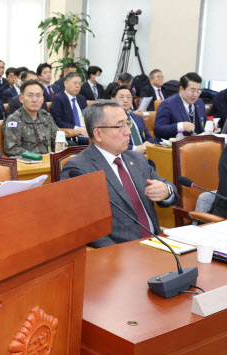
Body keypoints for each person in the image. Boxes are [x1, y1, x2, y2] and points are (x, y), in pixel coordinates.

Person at [59, 100, 178, 247]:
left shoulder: (137, 159)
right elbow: (83, 227)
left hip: (155, 243)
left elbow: (170, 190)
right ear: (98, 133)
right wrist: (116, 254)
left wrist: (166, 191)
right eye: (120, 126)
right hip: (119, 253)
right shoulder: (79, 169)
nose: (128, 131)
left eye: (128, 124)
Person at [3, 80, 59, 156]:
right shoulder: (14, 120)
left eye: (38, 96)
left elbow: (58, 140)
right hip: (26, 163)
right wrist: (39, 157)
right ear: (21, 99)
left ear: (42, 99)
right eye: (30, 95)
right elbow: (12, 148)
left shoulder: (46, 117)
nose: (35, 100)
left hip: (48, 161)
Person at [153, 72, 208, 140]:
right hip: (174, 147)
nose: (195, 95)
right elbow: (158, 130)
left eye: (198, 91)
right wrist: (180, 126)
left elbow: (205, 124)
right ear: (181, 89)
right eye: (192, 90)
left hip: (197, 145)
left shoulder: (199, 103)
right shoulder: (167, 105)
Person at [112, 85, 155, 155]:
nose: (125, 100)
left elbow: (148, 137)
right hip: (125, 156)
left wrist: (149, 144)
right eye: (121, 97)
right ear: (113, 100)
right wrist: (135, 149)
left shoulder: (138, 118)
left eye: (129, 97)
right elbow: (113, 143)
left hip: (145, 155)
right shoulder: (111, 120)